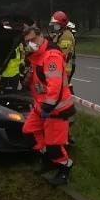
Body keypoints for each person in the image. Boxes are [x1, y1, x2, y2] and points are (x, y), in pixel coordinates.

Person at [21, 24, 76, 186]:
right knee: (29, 132)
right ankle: (49, 160)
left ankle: (65, 168)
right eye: (27, 41)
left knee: (54, 145)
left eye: (33, 39)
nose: (31, 43)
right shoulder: (36, 55)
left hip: (56, 110)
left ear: (40, 36)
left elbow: (55, 87)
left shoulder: (51, 56)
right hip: (41, 107)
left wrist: (47, 108)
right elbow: (35, 80)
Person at [49, 10, 76, 84]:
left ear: (61, 24)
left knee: (59, 91)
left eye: (56, 24)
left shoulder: (66, 36)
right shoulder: (60, 33)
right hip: (58, 68)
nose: (54, 26)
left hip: (63, 70)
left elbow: (63, 54)